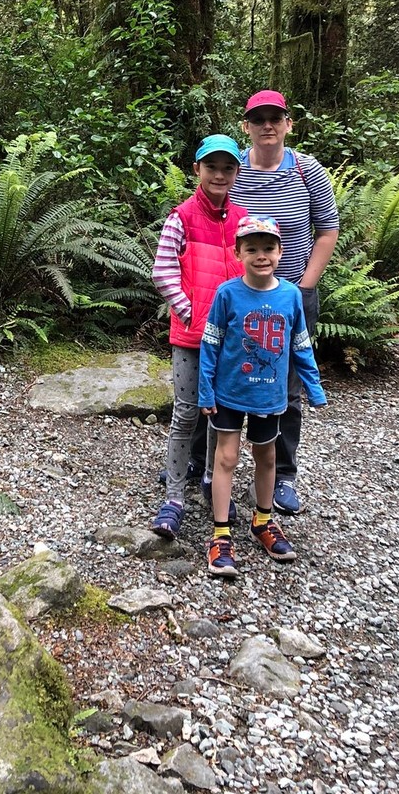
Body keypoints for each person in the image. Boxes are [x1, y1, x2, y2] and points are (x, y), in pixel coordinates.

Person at [228, 89, 339, 515]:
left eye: (276, 118)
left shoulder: (307, 171)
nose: (268, 125)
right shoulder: (232, 169)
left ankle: (283, 475)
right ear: (247, 126)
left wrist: (305, 287)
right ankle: (209, 466)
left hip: (291, 296)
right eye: (259, 119)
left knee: (287, 388)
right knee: (225, 377)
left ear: (289, 124)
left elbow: (326, 229)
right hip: (238, 297)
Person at [199, 215, 327, 579]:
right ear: (238, 252)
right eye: (251, 248)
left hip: (270, 397)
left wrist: (313, 386)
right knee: (225, 457)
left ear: (280, 251)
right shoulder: (227, 294)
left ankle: (264, 520)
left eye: (268, 248)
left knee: (267, 455)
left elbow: (300, 344)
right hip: (229, 393)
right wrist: (206, 389)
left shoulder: (290, 295)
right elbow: (210, 345)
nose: (261, 255)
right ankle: (221, 533)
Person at [149, 134, 247, 539]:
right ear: (197, 170)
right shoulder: (182, 217)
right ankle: (173, 498)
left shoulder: (244, 220)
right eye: (212, 167)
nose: (219, 175)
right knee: (187, 413)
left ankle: (211, 482)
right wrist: (191, 313)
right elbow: (163, 271)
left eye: (227, 168)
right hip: (190, 340)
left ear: (236, 172)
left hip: (231, 342)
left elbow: (255, 274)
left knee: (220, 416)